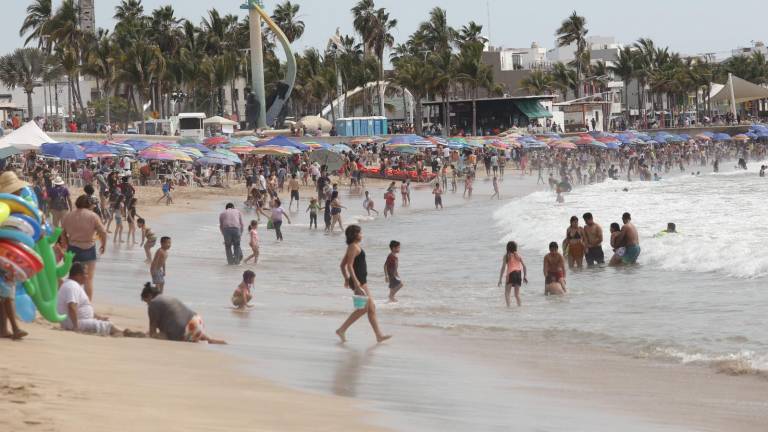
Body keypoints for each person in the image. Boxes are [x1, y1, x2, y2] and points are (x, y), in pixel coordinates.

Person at [335, 225, 391, 344]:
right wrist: (356, 283)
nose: (362, 235)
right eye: (360, 233)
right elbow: (349, 265)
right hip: (359, 281)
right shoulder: (354, 247)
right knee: (363, 309)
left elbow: (342, 265)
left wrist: (346, 279)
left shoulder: (353, 246)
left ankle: (379, 336)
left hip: (360, 281)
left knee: (371, 309)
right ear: (355, 234)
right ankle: (341, 329)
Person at [57, 262, 142, 337]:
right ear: (78, 275)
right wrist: (76, 327)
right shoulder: (72, 286)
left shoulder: (71, 285)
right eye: (85, 274)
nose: (87, 276)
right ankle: (127, 334)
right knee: (110, 326)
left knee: (105, 321)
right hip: (74, 323)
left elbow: (80, 307)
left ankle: (125, 333)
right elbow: (71, 306)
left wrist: (98, 317)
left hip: (76, 321)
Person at [141, 284, 226, 344]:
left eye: (146, 301)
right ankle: (209, 339)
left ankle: (194, 336)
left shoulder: (153, 304)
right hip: (198, 322)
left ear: (149, 296)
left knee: (156, 336)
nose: (147, 304)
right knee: (188, 329)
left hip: (185, 331)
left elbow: (152, 331)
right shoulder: (167, 298)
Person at [61, 195, 107, 301]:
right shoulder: (93, 216)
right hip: (88, 249)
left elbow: (62, 233)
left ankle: (72, 301)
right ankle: (87, 304)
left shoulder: (68, 215)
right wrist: (103, 245)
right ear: (89, 205)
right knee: (88, 280)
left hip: (72, 248)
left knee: (73, 279)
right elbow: (103, 232)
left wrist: (66, 245)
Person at [497, 241, 528, 307]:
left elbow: (503, 267)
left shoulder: (506, 256)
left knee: (507, 293)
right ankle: (520, 307)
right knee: (517, 295)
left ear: (507, 248)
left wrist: (500, 279)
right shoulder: (518, 256)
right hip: (518, 274)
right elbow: (524, 266)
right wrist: (525, 276)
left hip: (511, 273)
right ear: (515, 248)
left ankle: (509, 308)